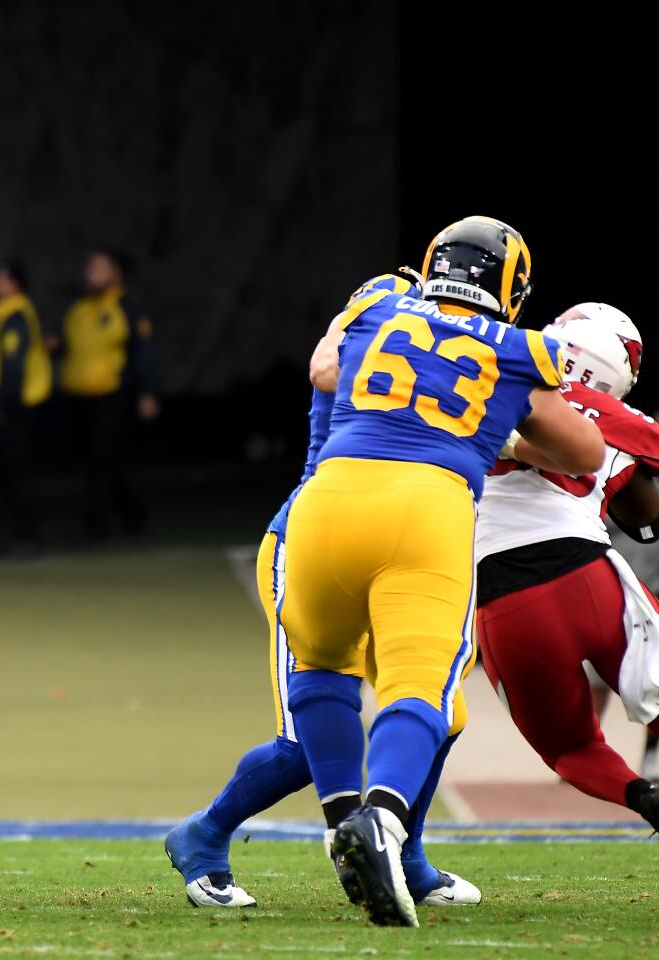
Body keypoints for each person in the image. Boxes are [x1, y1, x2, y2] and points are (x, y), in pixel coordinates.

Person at [282, 216, 604, 926]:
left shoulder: (377, 305)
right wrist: (507, 428)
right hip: (425, 506)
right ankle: (384, 820)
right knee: (421, 684)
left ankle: (342, 823)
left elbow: (326, 370)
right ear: (513, 285)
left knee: (321, 664)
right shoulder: (523, 348)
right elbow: (583, 452)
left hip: (327, 496)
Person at [166, 272, 479, 910]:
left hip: (396, 547)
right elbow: (325, 367)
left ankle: (405, 853)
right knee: (311, 742)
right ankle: (204, 834)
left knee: (437, 711)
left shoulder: (457, 354)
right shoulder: (388, 312)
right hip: (311, 544)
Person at [474, 303, 659, 826]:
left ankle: (644, 799)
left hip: (501, 600)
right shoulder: (607, 413)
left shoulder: (479, 384)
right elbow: (645, 518)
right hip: (586, 575)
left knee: (568, 748)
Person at [57, 248, 158, 538]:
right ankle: (131, 511)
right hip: (79, 398)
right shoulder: (80, 310)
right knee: (91, 460)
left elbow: (144, 352)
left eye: (100, 267)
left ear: (117, 273)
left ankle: (96, 523)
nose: (92, 273)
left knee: (103, 458)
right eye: (90, 267)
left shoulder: (127, 309)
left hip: (114, 395)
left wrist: (148, 391)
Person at [0, 259, 51, 555]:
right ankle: (28, 530)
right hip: (6, 405)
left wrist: (2, 406)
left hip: (15, 407)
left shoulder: (16, 316)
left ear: (15, 283)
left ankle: (28, 535)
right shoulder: (3, 315)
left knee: (15, 472)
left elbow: (13, 365)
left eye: (2, 278)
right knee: (7, 471)